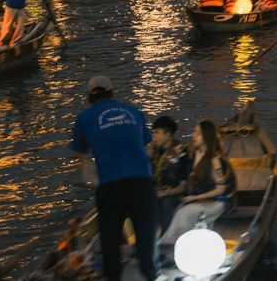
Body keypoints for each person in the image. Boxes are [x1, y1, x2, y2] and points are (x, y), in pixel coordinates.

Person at [70, 76, 159, 281]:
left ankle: (114, 276)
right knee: (145, 233)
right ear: (112, 93)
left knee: (110, 238)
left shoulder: (83, 118)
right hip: (142, 181)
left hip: (110, 184)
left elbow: (81, 157)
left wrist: (92, 180)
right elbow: (148, 147)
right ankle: (150, 273)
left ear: (89, 98)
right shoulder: (133, 110)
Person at [160, 120, 237, 246]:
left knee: (184, 213)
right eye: (194, 132)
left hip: (219, 201)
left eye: (198, 133)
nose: (194, 136)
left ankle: (171, 246)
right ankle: (168, 245)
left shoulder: (215, 159)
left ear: (207, 136)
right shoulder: (194, 154)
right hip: (200, 199)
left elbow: (220, 190)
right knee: (178, 211)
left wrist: (194, 198)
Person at [149, 115, 190, 236]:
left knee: (166, 203)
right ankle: (147, 239)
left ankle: (165, 240)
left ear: (167, 135)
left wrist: (167, 192)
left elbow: (184, 185)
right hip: (157, 192)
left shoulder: (181, 151)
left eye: (157, 132)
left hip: (175, 193)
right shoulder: (153, 150)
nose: (154, 136)